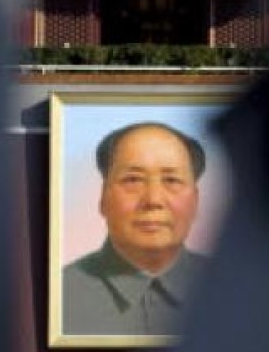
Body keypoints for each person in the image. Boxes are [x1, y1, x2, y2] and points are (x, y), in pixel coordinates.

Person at [63, 122, 208, 335]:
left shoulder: (233, 290)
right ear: (103, 197)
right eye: (133, 180)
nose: (153, 200)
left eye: (172, 180)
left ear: (195, 201)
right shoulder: (61, 293)